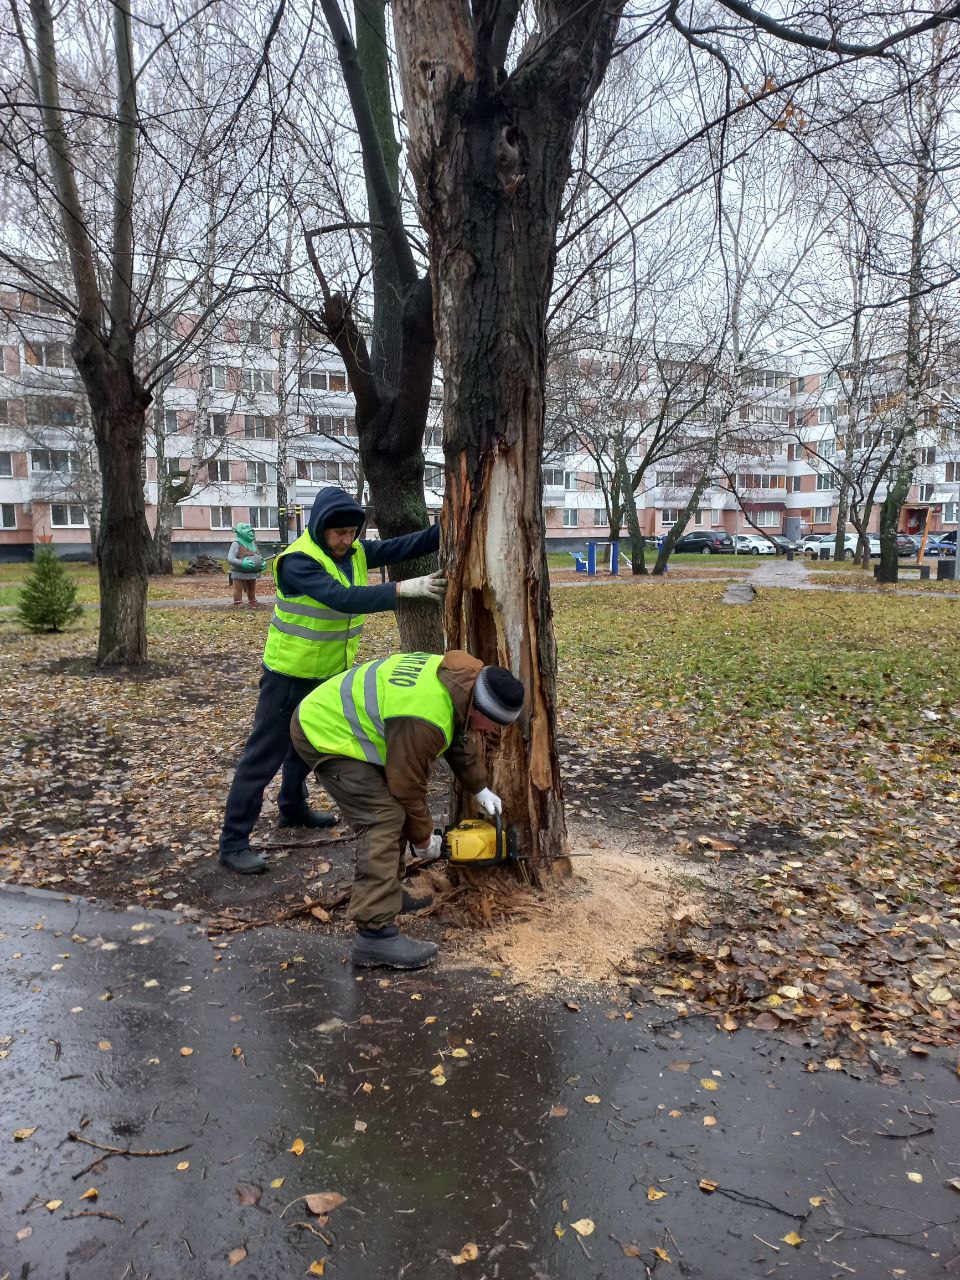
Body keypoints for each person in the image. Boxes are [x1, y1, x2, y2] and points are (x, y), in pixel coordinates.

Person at [219, 487, 445, 874]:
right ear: (320, 527)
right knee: (262, 758)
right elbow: (342, 598)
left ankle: (292, 809)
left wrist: (448, 527)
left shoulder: (353, 551)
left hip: (327, 676)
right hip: (288, 676)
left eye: (352, 532)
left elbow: (399, 547)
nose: (347, 540)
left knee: (303, 749)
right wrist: (404, 589)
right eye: (338, 533)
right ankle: (233, 843)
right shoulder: (297, 562)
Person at [291, 649, 525, 970]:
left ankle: (388, 893)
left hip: (344, 721)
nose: (490, 731)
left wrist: (479, 786)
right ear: (482, 709)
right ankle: (375, 935)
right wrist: (424, 839)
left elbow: (458, 735)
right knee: (384, 817)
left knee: (392, 809)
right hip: (324, 731)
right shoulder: (425, 716)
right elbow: (407, 786)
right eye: (493, 724)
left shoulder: (458, 680)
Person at [226, 522, 264, 609]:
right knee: (238, 588)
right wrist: (242, 563)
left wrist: (262, 562)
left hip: (251, 571)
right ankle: (238, 603)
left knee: (251, 588)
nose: (251, 532)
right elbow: (230, 558)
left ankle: (252, 601)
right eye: (248, 530)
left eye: (251, 530)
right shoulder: (236, 544)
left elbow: (258, 555)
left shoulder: (252, 544)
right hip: (239, 571)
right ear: (239, 532)